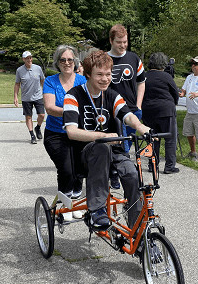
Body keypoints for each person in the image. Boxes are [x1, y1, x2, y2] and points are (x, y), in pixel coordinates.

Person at [63, 50, 150, 231]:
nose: (105, 79)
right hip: (85, 155)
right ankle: (97, 211)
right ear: (87, 74)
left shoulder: (112, 95)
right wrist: (103, 137)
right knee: (101, 148)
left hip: (114, 152)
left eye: (108, 74)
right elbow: (71, 132)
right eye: (99, 75)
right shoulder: (73, 95)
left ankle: (137, 229)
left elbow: (127, 115)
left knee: (132, 174)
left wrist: (141, 127)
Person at [43, 45, 87, 220]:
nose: (67, 63)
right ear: (58, 62)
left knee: (80, 169)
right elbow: (50, 108)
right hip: (56, 133)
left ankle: (74, 204)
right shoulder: (50, 81)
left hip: (77, 132)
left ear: (75, 61)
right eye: (63, 60)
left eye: (70, 59)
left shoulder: (82, 81)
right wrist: (72, 110)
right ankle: (65, 206)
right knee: (67, 169)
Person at [107, 24, 146, 189]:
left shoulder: (134, 58)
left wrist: (138, 105)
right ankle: (114, 174)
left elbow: (141, 82)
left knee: (127, 145)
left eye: (125, 42)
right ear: (111, 41)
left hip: (131, 109)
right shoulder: (104, 59)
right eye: (119, 42)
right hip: (111, 111)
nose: (122, 45)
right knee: (116, 145)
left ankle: (120, 173)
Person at [142, 52, 180, 174]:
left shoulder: (144, 76)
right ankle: (169, 166)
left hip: (148, 111)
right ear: (163, 64)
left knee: (152, 138)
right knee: (170, 138)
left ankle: (152, 165)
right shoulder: (166, 76)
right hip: (165, 110)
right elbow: (175, 93)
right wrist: (173, 104)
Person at [14, 51, 45, 144]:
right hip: (26, 98)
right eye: (27, 58)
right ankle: (32, 135)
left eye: (30, 58)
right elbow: (17, 84)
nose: (29, 60)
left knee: (42, 115)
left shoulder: (38, 68)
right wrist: (15, 97)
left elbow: (43, 80)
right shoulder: (19, 70)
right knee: (28, 117)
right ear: (23, 59)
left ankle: (38, 127)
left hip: (38, 96)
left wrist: (46, 92)